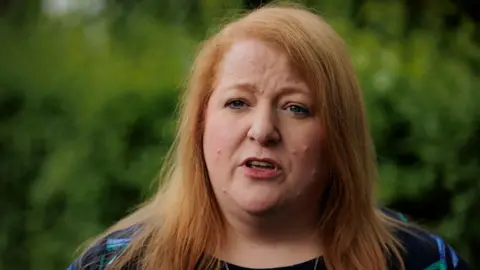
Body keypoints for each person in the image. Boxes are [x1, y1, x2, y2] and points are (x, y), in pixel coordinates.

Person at [67, 3, 469, 270]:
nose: (262, 131)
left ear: (339, 136)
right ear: (200, 123)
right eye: (238, 103)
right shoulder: (117, 263)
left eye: (296, 108)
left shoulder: (419, 261)